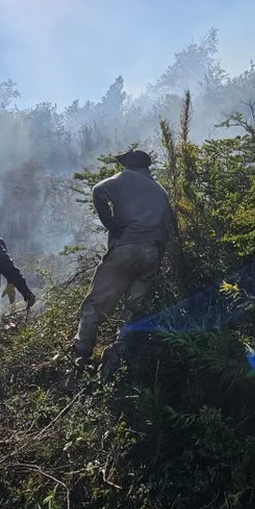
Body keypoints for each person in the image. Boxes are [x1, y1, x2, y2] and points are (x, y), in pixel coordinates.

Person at [71, 148, 173, 367]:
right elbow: (166, 230)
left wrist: (111, 223)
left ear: (130, 164)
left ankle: (81, 351)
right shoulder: (160, 191)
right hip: (151, 254)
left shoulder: (124, 178)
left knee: (96, 302)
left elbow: (98, 191)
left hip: (125, 249)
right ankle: (118, 355)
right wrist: (157, 258)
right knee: (133, 308)